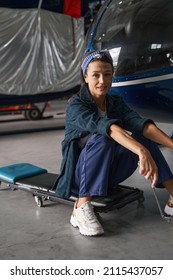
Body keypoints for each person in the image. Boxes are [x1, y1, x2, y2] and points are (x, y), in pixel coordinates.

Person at [54, 50, 173, 236]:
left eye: (107, 74)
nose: (102, 80)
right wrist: (141, 151)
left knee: (142, 135)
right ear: (85, 77)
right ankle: (81, 207)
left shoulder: (114, 102)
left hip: (109, 173)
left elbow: (140, 124)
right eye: (96, 75)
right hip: (80, 178)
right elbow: (106, 128)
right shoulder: (76, 105)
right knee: (103, 137)